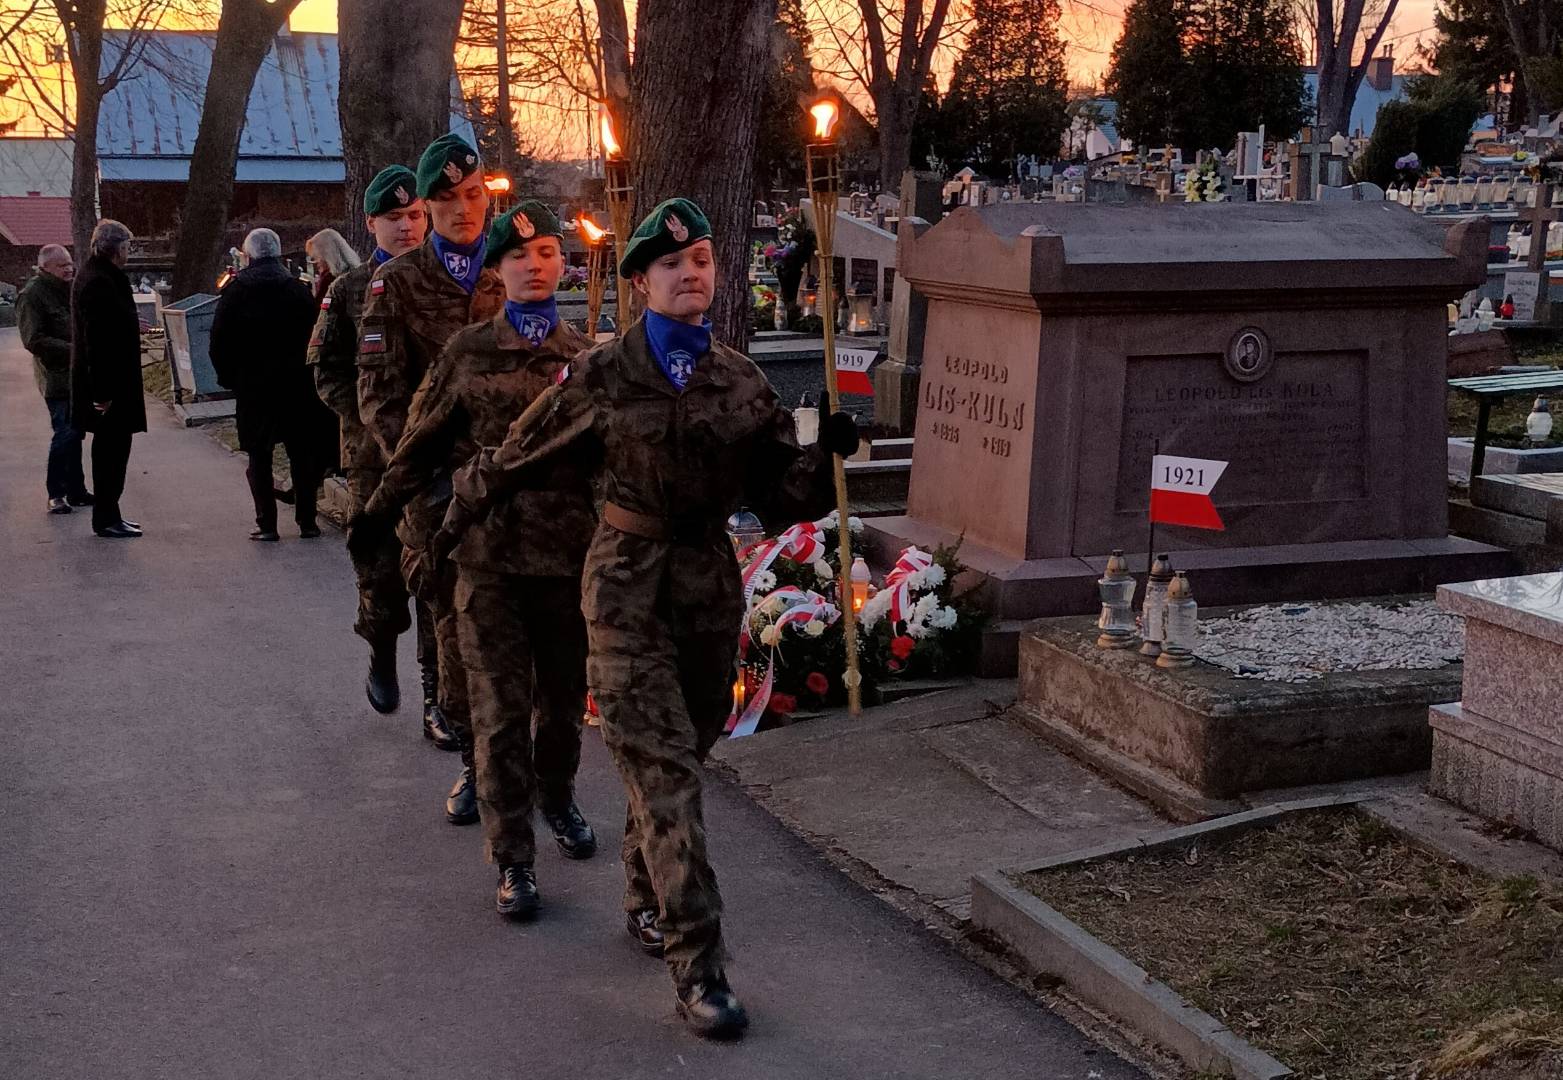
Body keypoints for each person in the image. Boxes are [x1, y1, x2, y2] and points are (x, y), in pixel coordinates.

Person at [436, 198, 858, 1037]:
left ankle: (643, 889)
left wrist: (825, 458)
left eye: (701, 259)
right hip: (623, 587)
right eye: (671, 263)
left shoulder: (740, 381)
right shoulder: (600, 374)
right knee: (663, 772)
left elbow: (779, 497)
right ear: (639, 282)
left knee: (685, 751)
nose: (690, 273)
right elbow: (513, 457)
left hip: (705, 588)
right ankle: (698, 962)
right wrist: (441, 536)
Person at [351, 202, 597, 919]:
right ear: (497, 269)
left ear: (563, 265)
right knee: (497, 713)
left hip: (565, 561)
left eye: (546, 253)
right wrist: (379, 517)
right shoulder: (466, 353)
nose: (534, 266)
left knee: (560, 707)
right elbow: (417, 443)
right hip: (487, 562)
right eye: (518, 256)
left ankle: (558, 797)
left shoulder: (587, 359)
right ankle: (513, 858)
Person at [353, 133, 504, 825]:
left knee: (522, 636)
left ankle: (535, 773)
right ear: (427, 205)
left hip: (516, 491)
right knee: (455, 633)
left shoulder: (512, 266)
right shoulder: (397, 283)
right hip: (439, 497)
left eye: (472, 195)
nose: (461, 209)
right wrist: (425, 474)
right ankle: (476, 765)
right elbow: (379, 397)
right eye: (445, 199)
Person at [308, 166, 449, 735]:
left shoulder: (443, 284)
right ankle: (382, 651)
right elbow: (326, 371)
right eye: (394, 218)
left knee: (438, 575)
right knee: (381, 572)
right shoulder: (348, 290)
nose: (407, 227)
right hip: (373, 459)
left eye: (415, 215)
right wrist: (372, 419)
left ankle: (438, 699)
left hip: (436, 456)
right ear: (371, 224)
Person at [210, 228, 329, 541]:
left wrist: (229, 378)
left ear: (248, 256)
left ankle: (267, 524)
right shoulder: (297, 290)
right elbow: (316, 335)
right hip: (296, 385)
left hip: (253, 387)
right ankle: (308, 521)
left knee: (258, 455)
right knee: (301, 454)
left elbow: (219, 341)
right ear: (278, 253)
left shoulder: (235, 292)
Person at [71, 219, 145, 540]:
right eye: (127, 247)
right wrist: (101, 392)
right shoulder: (99, 282)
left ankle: (111, 514)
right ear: (115, 249)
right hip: (110, 388)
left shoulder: (100, 276)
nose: (129, 252)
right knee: (110, 454)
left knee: (114, 451)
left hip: (112, 384)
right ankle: (106, 517)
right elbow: (97, 341)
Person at [18, 244, 93, 514]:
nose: (69, 269)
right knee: (65, 432)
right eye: (62, 265)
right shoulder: (32, 295)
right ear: (45, 267)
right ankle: (56, 494)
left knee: (76, 432)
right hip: (56, 375)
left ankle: (76, 490)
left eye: (70, 263)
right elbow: (33, 340)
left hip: (77, 374)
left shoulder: (69, 289)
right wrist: (74, 350)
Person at [306, 227, 358, 304]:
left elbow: (317, 308)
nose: (316, 262)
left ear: (327, 255)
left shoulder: (328, 280)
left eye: (317, 257)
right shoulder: (358, 274)